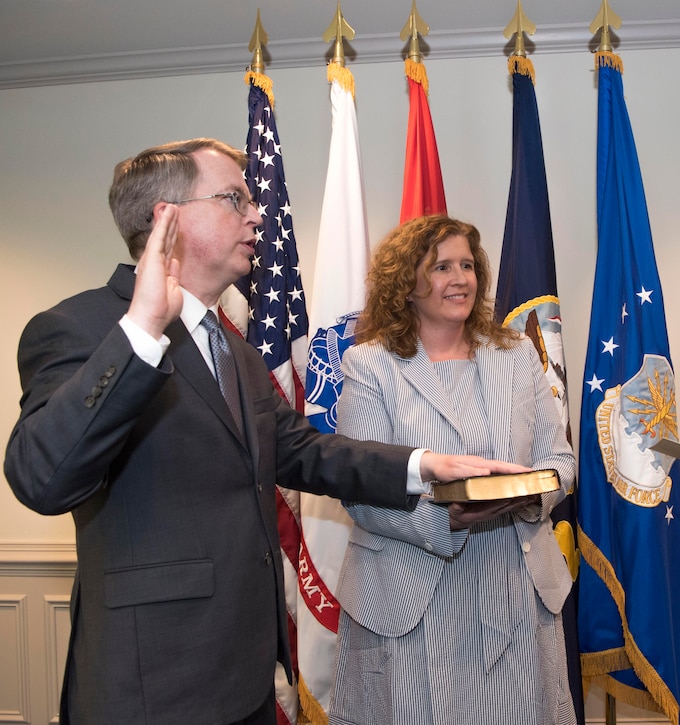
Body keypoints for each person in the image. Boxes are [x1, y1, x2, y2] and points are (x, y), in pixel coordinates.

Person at [4, 139, 522, 725]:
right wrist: (142, 333)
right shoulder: (78, 327)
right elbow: (42, 478)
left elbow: (304, 451)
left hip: (247, 674)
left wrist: (423, 466)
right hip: (149, 682)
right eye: (235, 199)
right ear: (166, 219)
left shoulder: (234, 347)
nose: (258, 214)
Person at [328, 215, 577, 725]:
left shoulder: (517, 355)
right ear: (407, 283)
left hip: (512, 588)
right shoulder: (369, 364)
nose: (460, 278)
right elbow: (360, 491)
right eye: (441, 267)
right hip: (413, 602)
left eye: (467, 265)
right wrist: (447, 519)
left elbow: (561, 459)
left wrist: (533, 493)